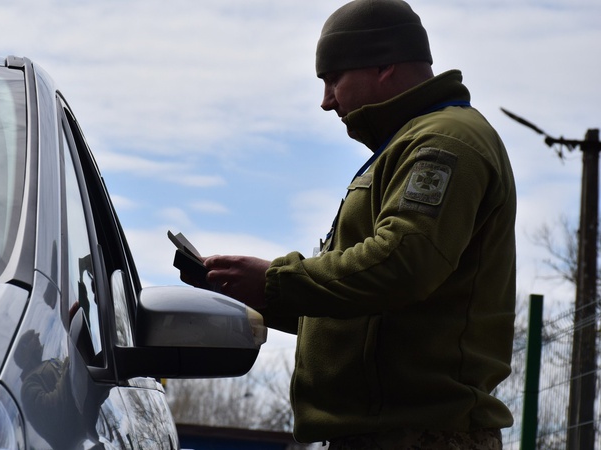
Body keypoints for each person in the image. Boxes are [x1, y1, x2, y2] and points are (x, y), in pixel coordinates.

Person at [190, 0, 517, 448]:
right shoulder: (406, 144)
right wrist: (252, 292)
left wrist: (277, 280)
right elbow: (367, 310)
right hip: (390, 433)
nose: (326, 102)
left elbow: (402, 264)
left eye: (332, 80)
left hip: (421, 435)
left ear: (383, 64)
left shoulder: (443, 141)